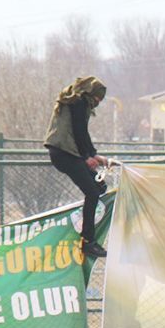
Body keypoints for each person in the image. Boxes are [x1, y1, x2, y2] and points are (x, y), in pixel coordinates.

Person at [44, 76, 110, 258]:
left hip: (69, 153)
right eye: (98, 99)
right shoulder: (79, 102)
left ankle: (87, 223)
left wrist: (93, 154)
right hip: (65, 153)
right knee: (92, 192)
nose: (97, 103)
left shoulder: (77, 101)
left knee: (100, 187)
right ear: (92, 94)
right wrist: (87, 157)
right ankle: (88, 241)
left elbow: (82, 133)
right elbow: (79, 131)